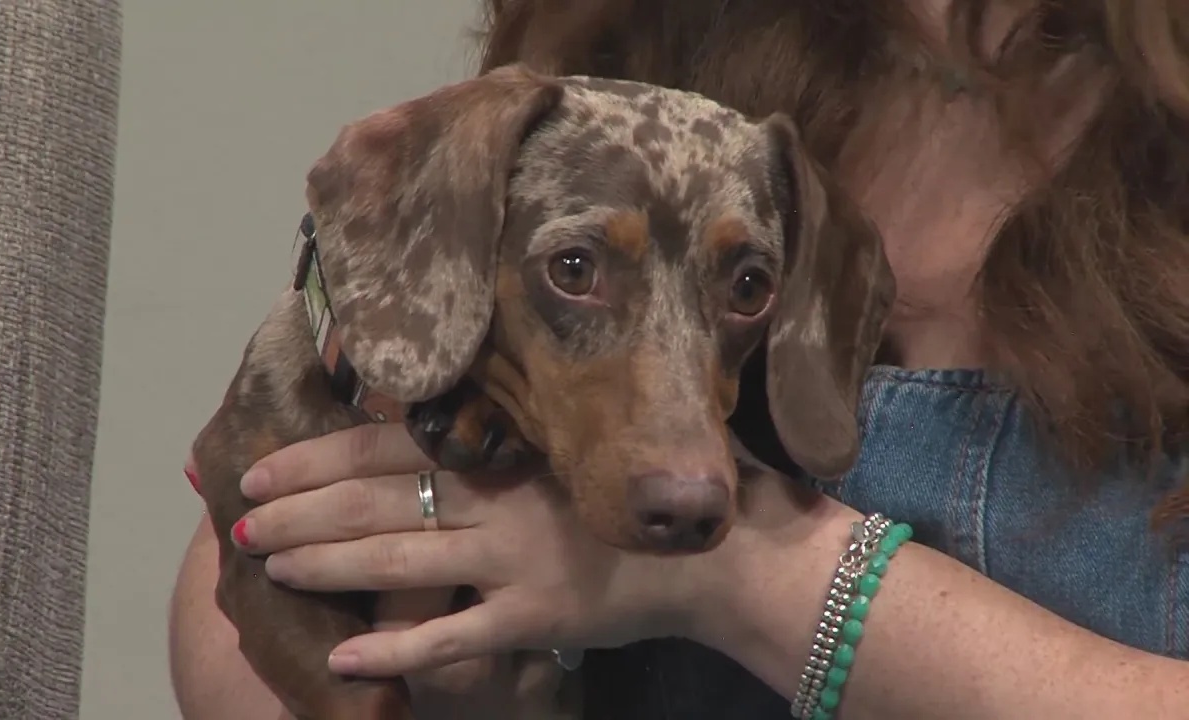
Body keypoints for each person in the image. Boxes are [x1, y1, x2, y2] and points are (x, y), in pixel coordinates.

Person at [168, 1, 1189, 718]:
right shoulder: (640, 29)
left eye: (748, 291)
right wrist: (445, 663)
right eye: (575, 268)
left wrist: (752, 582)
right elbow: (249, 583)